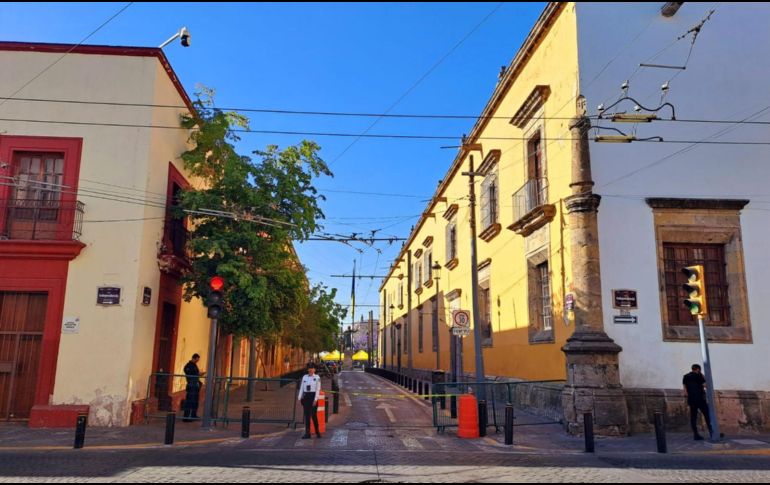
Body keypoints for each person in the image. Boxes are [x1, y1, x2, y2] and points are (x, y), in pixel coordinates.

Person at [683, 364, 713, 440]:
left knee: (693, 418)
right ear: (698, 369)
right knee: (707, 415)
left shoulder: (685, 376)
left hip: (692, 400)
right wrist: (703, 376)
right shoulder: (699, 376)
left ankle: (696, 435)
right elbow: (706, 385)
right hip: (700, 399)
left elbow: (685, 390)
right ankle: (712, 432)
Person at [298, 362, 322, 439]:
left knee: (313, 416)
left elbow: (318, 389)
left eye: (312, 368)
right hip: (306, 397)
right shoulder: (304, 377)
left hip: (313, 397)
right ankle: (307, 433)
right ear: (308, 369)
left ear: (314, 369)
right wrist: (299, 397)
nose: (311, 370)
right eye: (309, 368)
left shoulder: (317, 378)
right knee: (307, 416)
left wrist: (315, 399)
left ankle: (317, 432)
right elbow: (302, 387)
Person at [182, 354, 202, 422]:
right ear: (194, 358)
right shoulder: (188, 366)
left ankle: (193, 415)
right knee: (189, 402)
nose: (198, 361)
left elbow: (195, 373)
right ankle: (186, 417)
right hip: (191, 385)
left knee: (195, 402)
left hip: (195, 385)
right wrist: (198, 374)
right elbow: (189, 374)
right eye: (197, 359)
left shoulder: (194, 365)